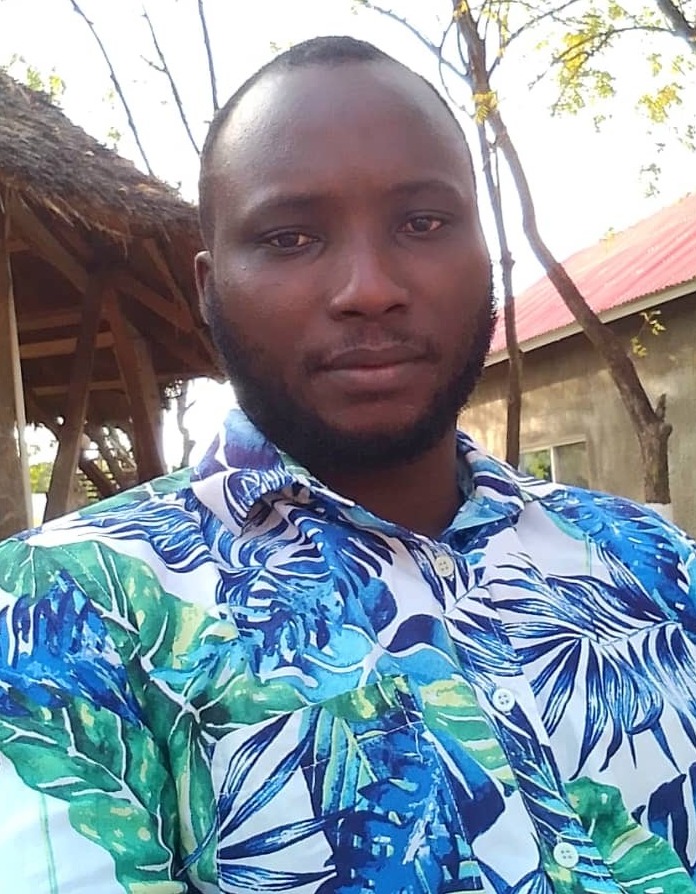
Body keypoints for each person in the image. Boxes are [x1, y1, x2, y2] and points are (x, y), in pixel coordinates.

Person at [1, 35, 695, 894]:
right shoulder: (60, 609)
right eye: (291, 238)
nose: (369, 286)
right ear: (211, 290)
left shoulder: (656, 564)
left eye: (423, 223)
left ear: (487, 256)